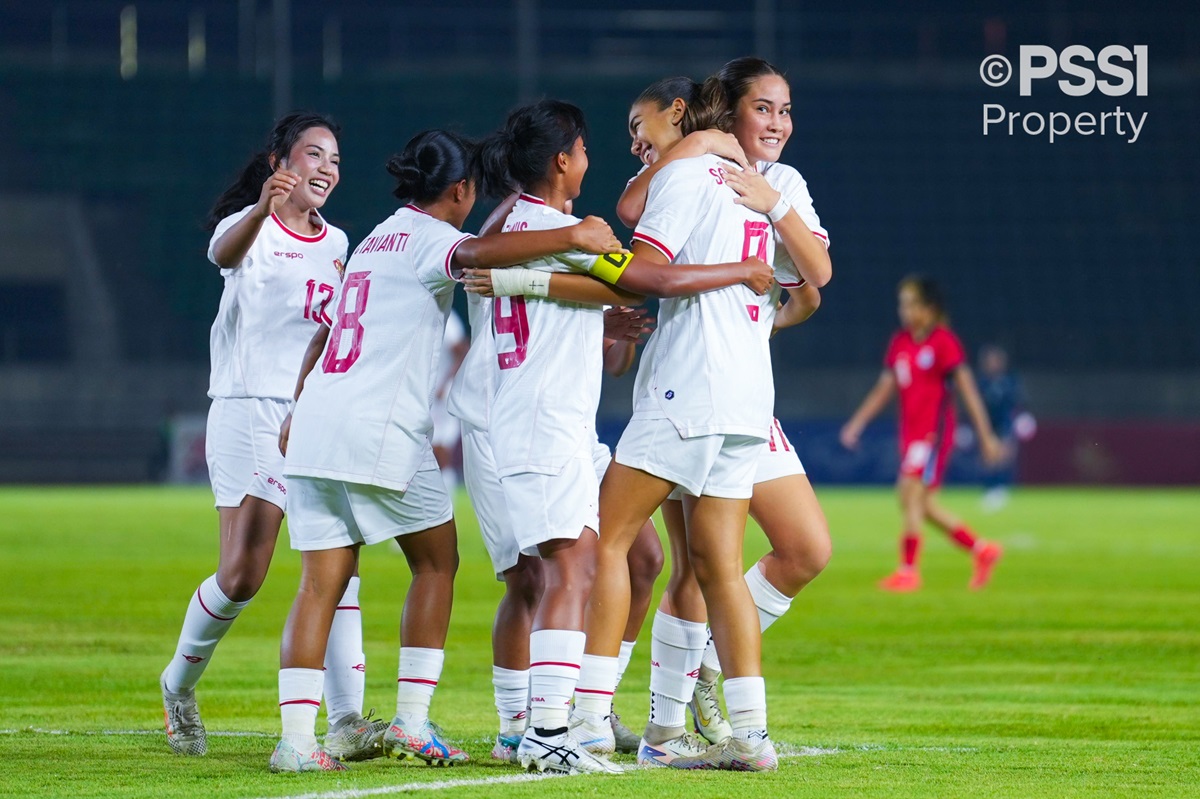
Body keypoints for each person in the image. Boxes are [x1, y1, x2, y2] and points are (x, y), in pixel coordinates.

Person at [268, 128, 627, 772]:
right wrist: (573, 235)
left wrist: (298, 407)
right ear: (460, 190)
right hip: (379, 430)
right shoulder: (436, 239)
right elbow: (482, 254)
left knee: (319, 584)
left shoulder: (376, 236)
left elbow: (324, 336)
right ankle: (411, 721)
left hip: (319, 420)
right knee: (437, 563)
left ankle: (295, 743)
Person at [464, 99, 773, 775]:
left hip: (544, 421)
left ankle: (560, 719)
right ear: (562, 160)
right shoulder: (563, 229)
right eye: (583, 149)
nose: (590, 160)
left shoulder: (515, 221)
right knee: (572, 565)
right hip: (537, 421)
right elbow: (649, 277)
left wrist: (609, 327)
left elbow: (590, 297)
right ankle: (552, 728)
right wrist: (741, 272)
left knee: (633, 560)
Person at [593, 62, 834, 763]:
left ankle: (670, 682)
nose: (780, 123)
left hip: (729, 389)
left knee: (801, 549)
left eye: (786, 109)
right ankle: (671, 721)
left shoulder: (781, 185)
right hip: (708, 385)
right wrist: (699, 146)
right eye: (765, 108)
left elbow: (814, 277)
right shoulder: (696, 168)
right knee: (701, 566)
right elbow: (636, 208)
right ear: (728, 111)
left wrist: (768, 204)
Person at [159, 111, 384, 762]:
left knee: (338, 558)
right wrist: (262, 209)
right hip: (244, 408)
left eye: (336, 160)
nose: (327, 169)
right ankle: (178, 683)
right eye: (314, 155)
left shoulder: (338, 242)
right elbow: (220, 253)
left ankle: (346, 719)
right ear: (280, 162)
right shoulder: (250, 226)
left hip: (305, 414)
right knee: (243, 572)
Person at [840, 276, 1005, 591]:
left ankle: (908, 571)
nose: (905, 310)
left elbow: (967, 390)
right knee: (922, 504)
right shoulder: (901, 342)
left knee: (909, 492)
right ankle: (982, 550)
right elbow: (884, 389)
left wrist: (985, 436)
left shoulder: (943, 342)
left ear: (930, 308)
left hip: (934, 434)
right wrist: (857, 423)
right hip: (911, 434)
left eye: (911, 303)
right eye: (902, 304)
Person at [977, 344, 1033, 512]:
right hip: (988, 426)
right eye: (990, 361)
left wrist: (1023, 419)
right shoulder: (982, 383)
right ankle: (989, 489)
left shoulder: (1010, 382)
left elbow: (1020, 403)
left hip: (1006, 425)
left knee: (1004, 457)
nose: (993, 364)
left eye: (996, 361)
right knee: (988, 459)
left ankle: (1001, 489)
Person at [430, 308, 469, 491]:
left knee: (440, 451)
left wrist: (446, 384)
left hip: (442, 396)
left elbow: (462, 350)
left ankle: (447, 506)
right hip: (427, 394)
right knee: (432, 451)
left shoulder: (448, 317)